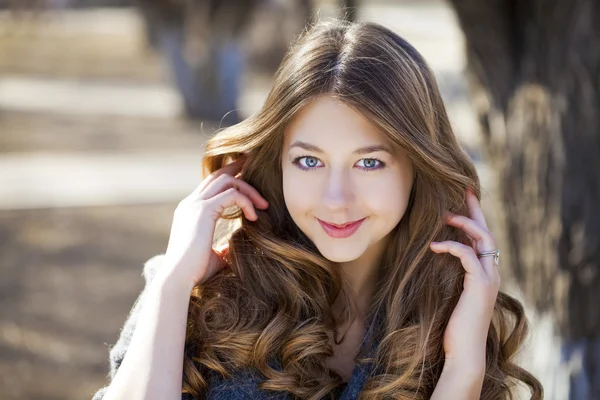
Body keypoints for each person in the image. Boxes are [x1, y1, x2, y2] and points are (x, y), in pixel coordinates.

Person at [93, 18, 543, 400]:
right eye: (309, 161)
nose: (335, 199)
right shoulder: (193, 292)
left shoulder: (454, 317)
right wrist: (172, 285)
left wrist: (462, 372)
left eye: (369, 162)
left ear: (418, 168)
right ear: (279, 162)